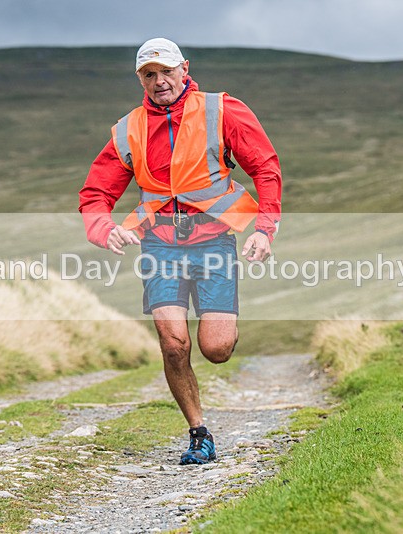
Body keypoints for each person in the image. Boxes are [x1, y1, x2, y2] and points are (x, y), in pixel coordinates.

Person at [79, 37, 282, 465]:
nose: (159, 81)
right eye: (149, 75)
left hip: (214, 242)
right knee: (174, 344)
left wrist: (264, 228)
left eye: (166, 71)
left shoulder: (222, 110)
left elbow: (265, 166)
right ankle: (198, 433)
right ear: (140, 79)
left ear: (184, 69)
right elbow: (95, 192)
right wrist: (103, 228)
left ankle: (217, 336)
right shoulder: (128, 128)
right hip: (159, 245)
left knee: (216, 348)